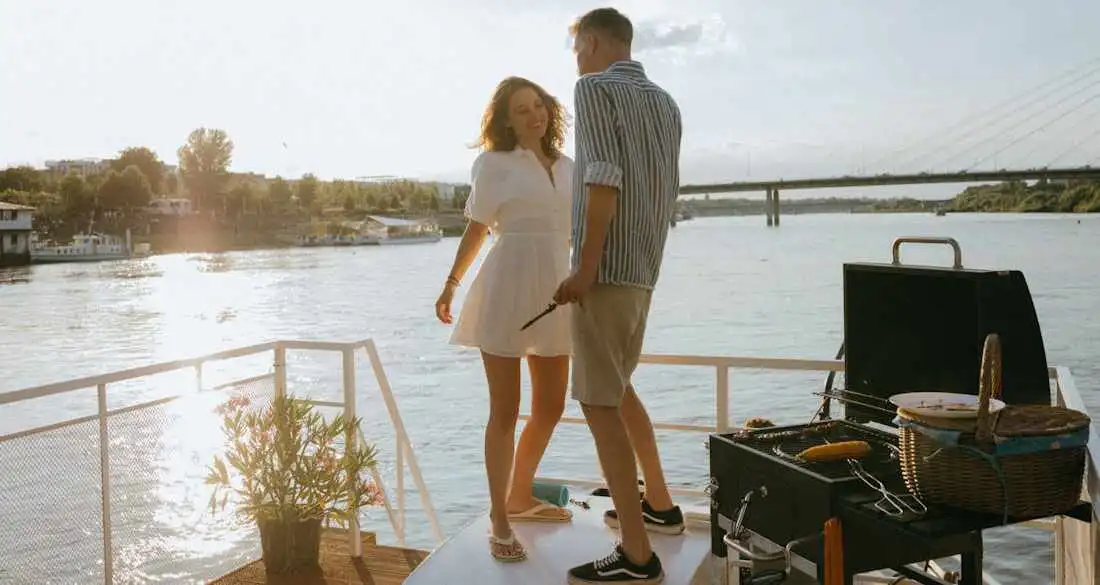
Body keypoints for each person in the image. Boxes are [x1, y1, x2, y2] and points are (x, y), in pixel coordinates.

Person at [553, 7, 684, 584]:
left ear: (593, 41)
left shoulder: (593, 88)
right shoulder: (666, 103)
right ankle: (659, 505)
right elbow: (665, 189)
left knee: (600, 402)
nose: (576, 60)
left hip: (605, 271)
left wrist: (584, 267)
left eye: (577, 48)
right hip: (644, 269)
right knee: (619, 386)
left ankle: (637, 555)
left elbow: (602, 176)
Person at [435, 76, 575, 563]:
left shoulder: (568, 166)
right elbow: (477, 226)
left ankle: (521, 495)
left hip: (558, 291)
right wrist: (452, 282)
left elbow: (579, 230)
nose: (533, 115)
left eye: (538, 105)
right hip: (507, 287)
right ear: (505, 119)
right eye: (521, 109)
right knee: (505, 410)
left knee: (552, 405)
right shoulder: (492, 164)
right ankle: (500, 516)